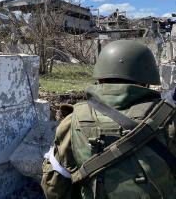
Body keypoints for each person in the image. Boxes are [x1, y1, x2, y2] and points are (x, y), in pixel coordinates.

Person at [41, 40, 176, 198]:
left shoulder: (71, 122)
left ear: (100, 78)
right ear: (147, 81)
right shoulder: (170, 119)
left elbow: (54, 187)